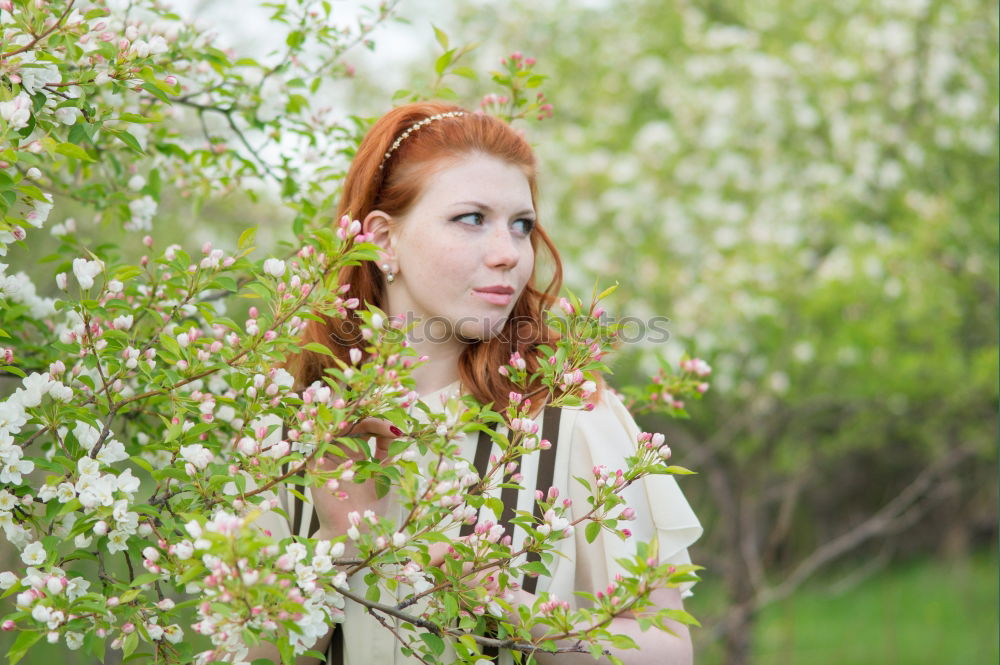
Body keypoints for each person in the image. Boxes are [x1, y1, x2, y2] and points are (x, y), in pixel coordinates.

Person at [250, 102, 703, 665]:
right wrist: (338, 544)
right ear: (383, 240)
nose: (508, 254)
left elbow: (670, 650)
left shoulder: (571, 415)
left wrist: (514, 611)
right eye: (471, 219)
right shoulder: (291, 430)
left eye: (522, 225)